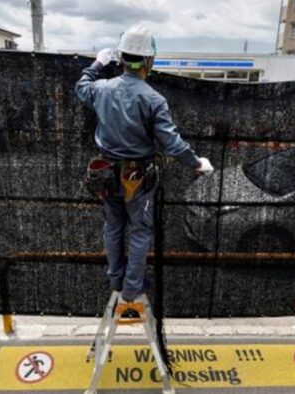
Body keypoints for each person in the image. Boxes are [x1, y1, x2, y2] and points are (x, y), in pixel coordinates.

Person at [76, 24, 213, 302]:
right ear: (149, 61)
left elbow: (81, 87)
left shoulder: (102, 89)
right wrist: (197, 163)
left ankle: (116, 280)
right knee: (139, 231)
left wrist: (97, 65)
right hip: (136, 176)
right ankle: (131, 288)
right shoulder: (153, 99)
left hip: (105, 174)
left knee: (113, 226)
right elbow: (172, 143)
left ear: (122, 58)